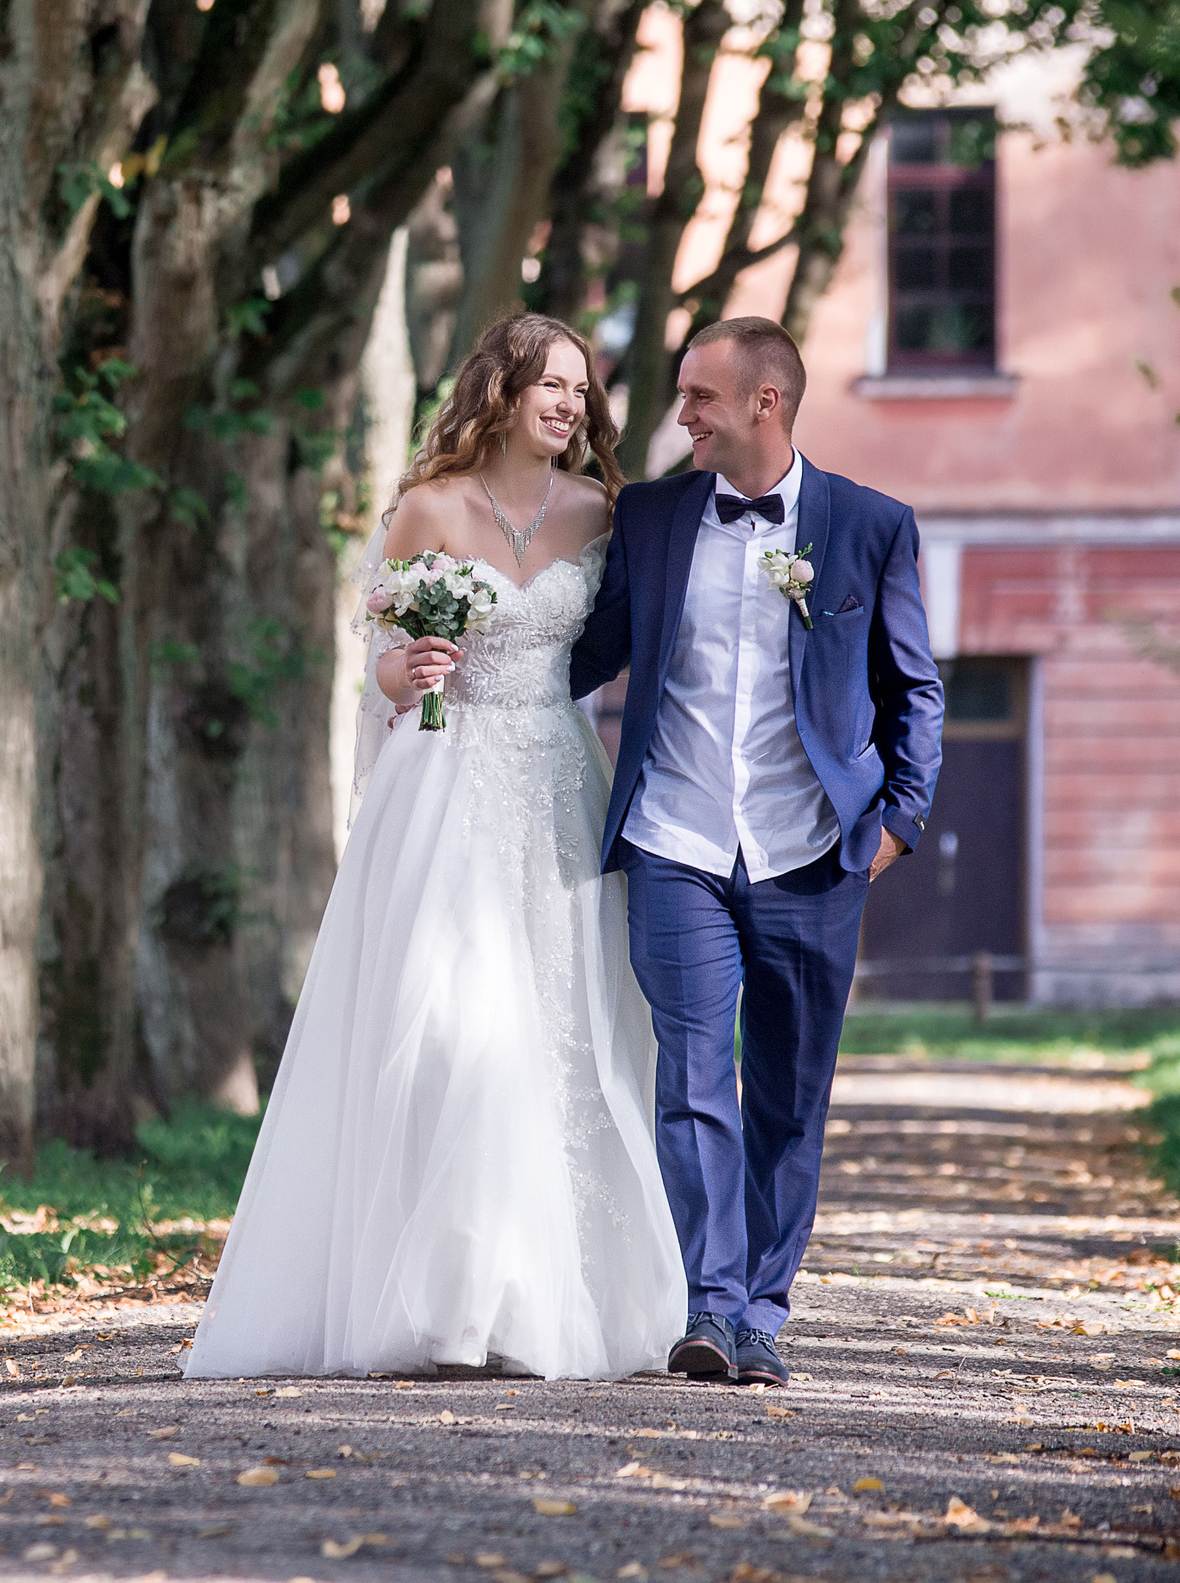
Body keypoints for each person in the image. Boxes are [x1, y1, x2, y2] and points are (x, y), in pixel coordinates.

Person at [183, 314, 685, 1381]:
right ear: (497, 391)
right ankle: (452, 1302)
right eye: (548, 385)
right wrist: (401, 673)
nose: (567, 405)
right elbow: (376, 657)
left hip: (556, 783)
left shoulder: (607, 515)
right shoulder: (428, 508)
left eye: (579, 391)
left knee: (563, 1027)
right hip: (445, 786)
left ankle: (560, 1298)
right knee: (450, 1030)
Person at [568, 316, 945, 1389]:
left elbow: (912, 689)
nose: (679, 415)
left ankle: (765, 1313)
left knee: (787, 1093)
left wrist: (897, 822)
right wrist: (466, 646)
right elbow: (586, 649)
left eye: (698, 398)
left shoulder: (870, 526)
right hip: (674, 837)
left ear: (763, 404)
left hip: (812, 851)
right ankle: (712, 1307)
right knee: (692, 1074)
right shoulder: (647, 517)